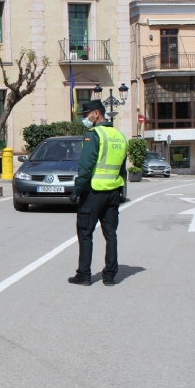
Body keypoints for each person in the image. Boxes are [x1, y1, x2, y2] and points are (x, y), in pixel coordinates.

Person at [68, 99, 127, 287]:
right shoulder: (119, 136)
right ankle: (109, 276)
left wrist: (76, 191)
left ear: (96, 114)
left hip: (93, 192)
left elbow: (85, 167)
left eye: (86, 115)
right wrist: (119, 191)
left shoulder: (94, 135)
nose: (85, 118)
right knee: (111, 234)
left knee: (85, 233)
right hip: (112, 193)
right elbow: (122, 170)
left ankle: (84, 275)